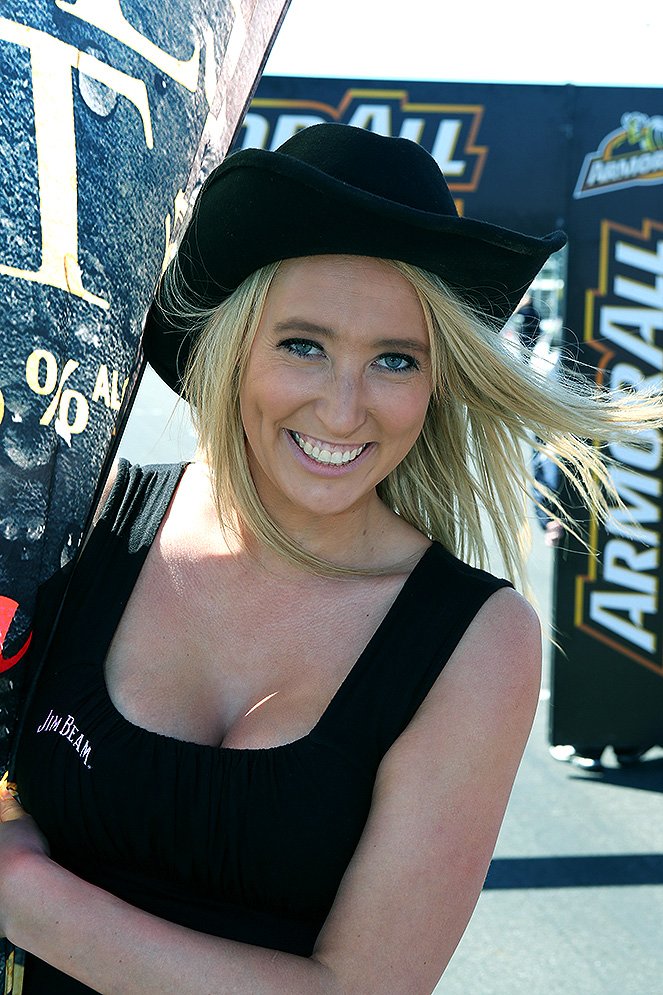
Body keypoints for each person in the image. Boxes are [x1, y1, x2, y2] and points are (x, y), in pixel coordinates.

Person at [1, 123, 661, 995]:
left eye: (394, 359)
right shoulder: (94, 524)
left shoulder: (475, 640)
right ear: (233, 347)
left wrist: (23, 891)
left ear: (436, 383)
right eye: (303, 345)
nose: (344, 410)